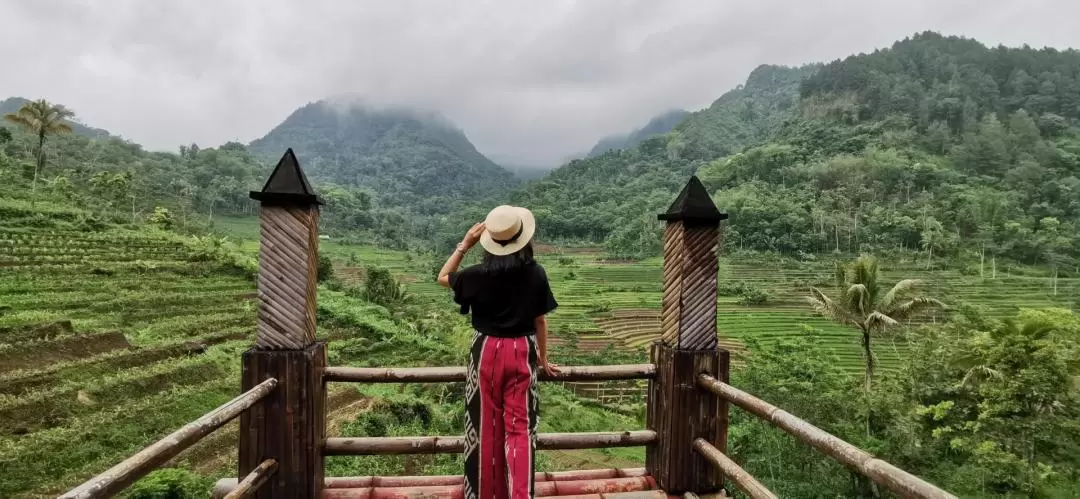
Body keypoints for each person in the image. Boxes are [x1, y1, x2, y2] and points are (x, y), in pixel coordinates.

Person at [437, 204, 559, 499]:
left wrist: (464, 245)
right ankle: (520, 495)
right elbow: (540, 320)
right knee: (519, 429)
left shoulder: (477, 275)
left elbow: (443, 277)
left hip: (486, 352)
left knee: (485, 424)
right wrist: (543, 358)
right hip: (521, 351)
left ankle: (485, 493)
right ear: (523, 239)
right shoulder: (536, 273)